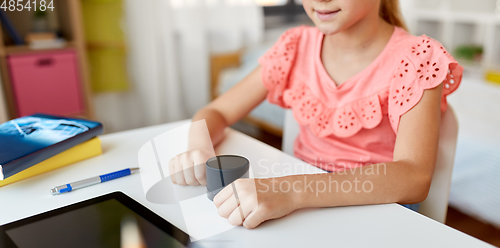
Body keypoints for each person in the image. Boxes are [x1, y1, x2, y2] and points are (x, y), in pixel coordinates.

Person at [168, 0, 463, 229]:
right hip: (302, 205)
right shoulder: (296, 46)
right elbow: (216, 110)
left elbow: (414, 177)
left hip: (377, 210)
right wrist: (198, 147)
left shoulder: (418, 57)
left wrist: (290, 190)